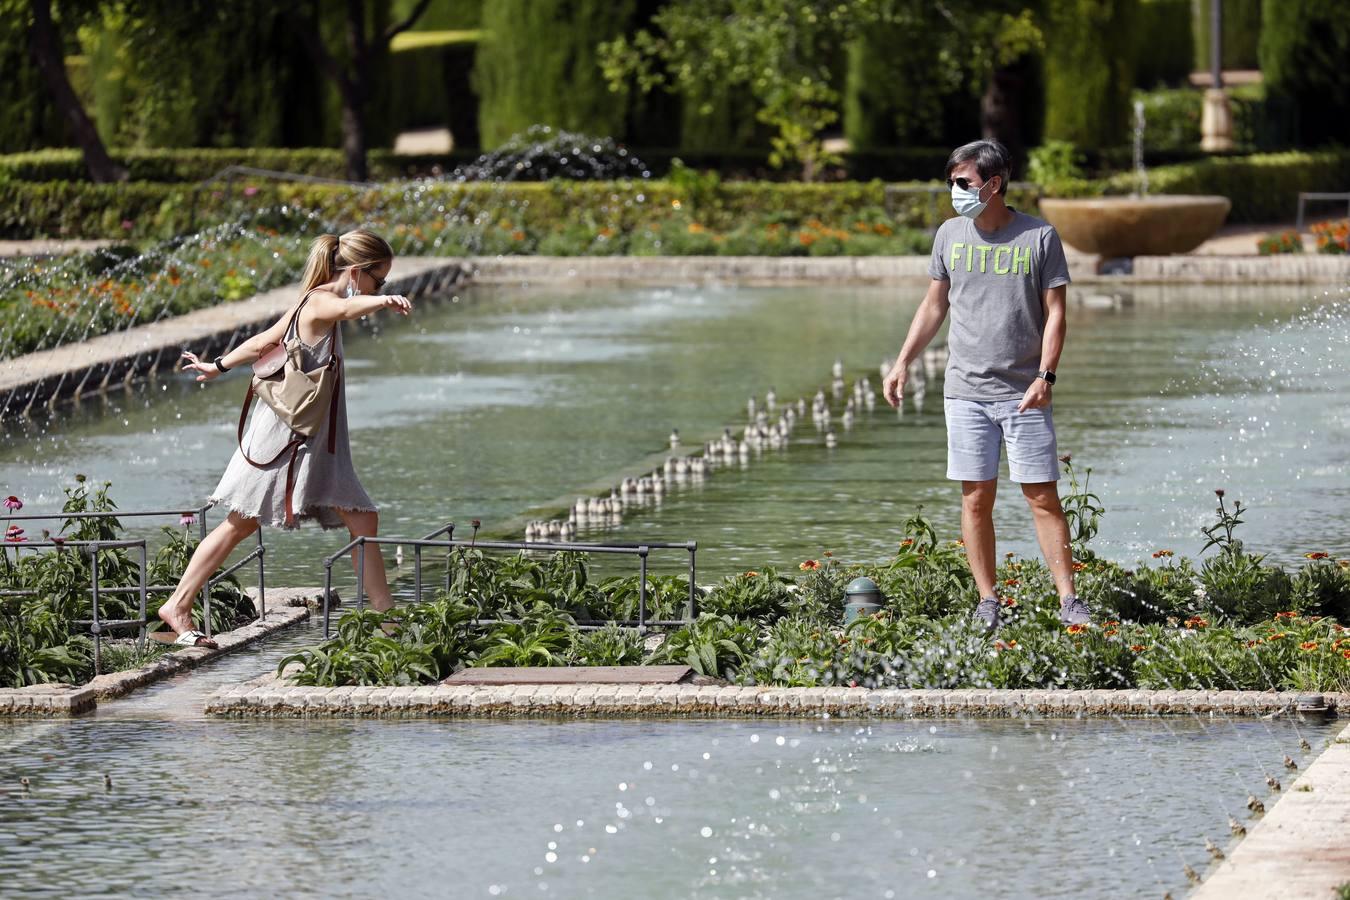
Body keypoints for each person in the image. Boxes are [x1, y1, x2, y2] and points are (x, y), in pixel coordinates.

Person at [161, 229, 412, 647]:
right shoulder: (320, 301)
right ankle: (178, 604)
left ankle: (389, 623)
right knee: (240, 523)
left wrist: (217, 366)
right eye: (378, 280)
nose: (380, 287)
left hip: (310, 440)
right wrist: (382, 302)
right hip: (289, 440)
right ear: (355, 273)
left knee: (362, 519)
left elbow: (263, 342)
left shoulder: (309, 300)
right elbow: (346, 309)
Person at [881, 140, 1089, 632]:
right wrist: (903, 361)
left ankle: (1069, 601)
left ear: (994, 184)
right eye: (952, 182)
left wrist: (1045, 375)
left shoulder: (1039, 237)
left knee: (1042, 497)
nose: (954, 191)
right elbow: (935, 305)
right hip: (965, 392)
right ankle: (988, 601)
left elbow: (1056, 314)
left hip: (1025, 392)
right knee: (975, 499)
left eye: (963, 183)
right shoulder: (950, 235)